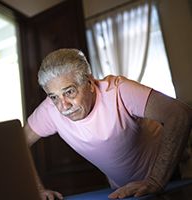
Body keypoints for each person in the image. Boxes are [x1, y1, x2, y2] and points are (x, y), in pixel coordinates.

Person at [23, 48, 192, 200]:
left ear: (89, 82)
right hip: (126, 190)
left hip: (171, 175)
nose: (63, 106)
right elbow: (18, 143)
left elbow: (180, 114)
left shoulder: (119, 90)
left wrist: (156, 180)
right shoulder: (49, 110)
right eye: (54, 97)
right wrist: (36, 189)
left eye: (70, 91)